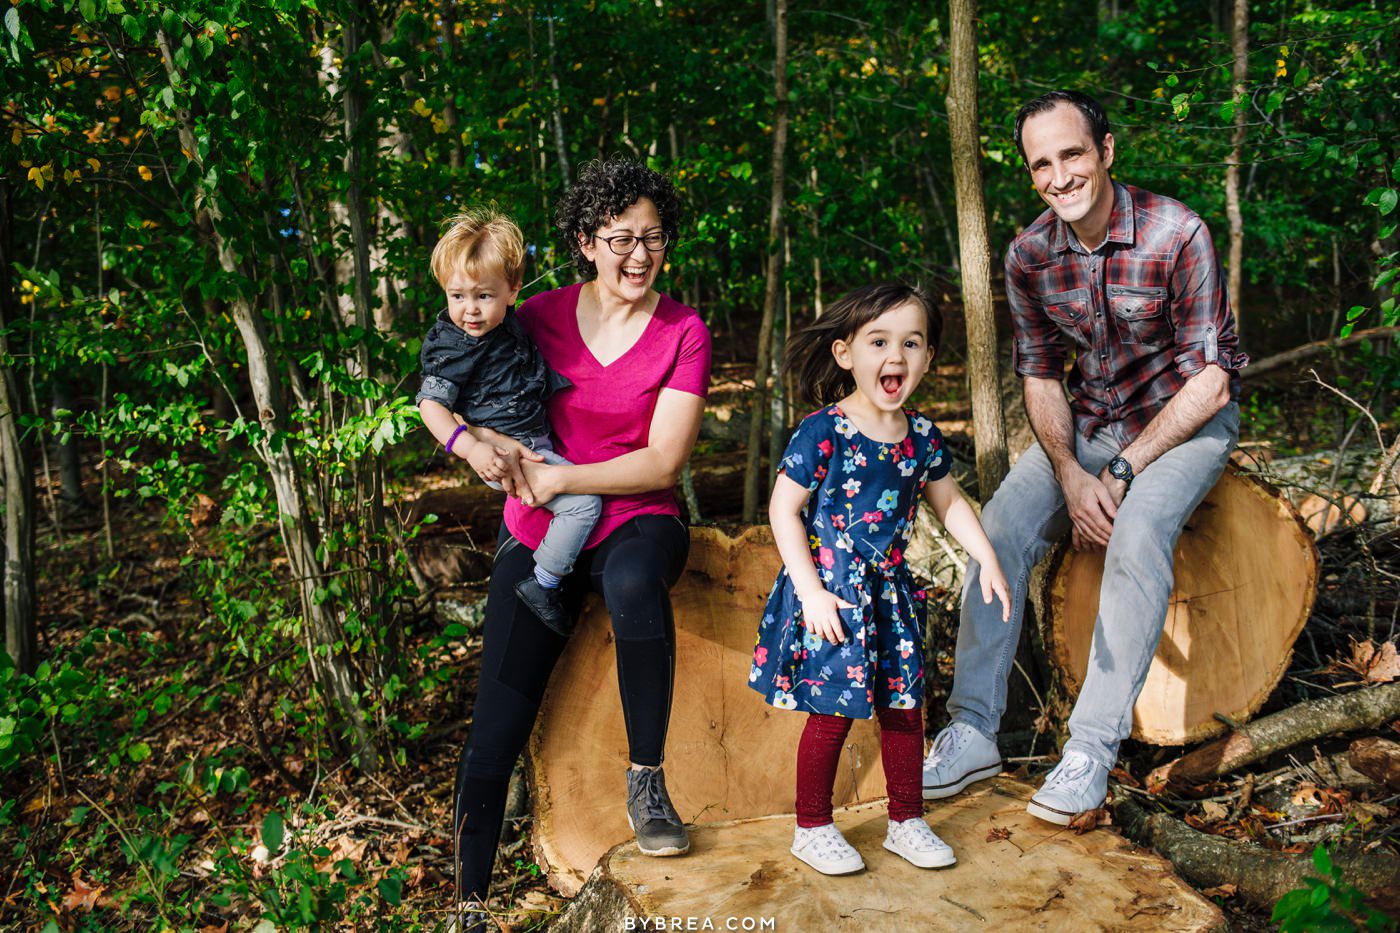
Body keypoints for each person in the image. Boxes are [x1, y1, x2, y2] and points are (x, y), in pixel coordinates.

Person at [922, 90, 1247, 825]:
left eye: (1072, 154)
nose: (1060, 175)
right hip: (1091, 426)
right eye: (1042, 163)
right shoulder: (1031, 253)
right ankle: (973, 727)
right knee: (997, 527)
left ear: (1105, 152)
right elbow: (1040, 375)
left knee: (1134, 535)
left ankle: (1090, 752)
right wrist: (1070, 473)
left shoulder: (1177, 233)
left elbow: (1211, 380)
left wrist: (1124, 471)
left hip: (1185, 427)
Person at [449, 159, 711, 929]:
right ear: (584, 241)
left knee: (632, 584)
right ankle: (468, 899)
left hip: (637, 519)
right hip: (539, 527)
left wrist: (568, 480)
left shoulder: (682, 331)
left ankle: (646, 780)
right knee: (494, 723)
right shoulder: (533, 316)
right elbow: (464, 390)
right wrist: (482, 448)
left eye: (653, 238)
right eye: (621, 238)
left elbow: (664, 460)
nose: (639, 255)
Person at [749, 284, 1011, 876]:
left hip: (891, 595)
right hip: (833, 594)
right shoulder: (825, 431)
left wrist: (986, 556)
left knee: (905, 707)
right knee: (832, 711)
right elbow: (782, 509)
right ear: (845, 354)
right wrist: (811, 591)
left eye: (910, 343)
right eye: (879, 342)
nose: (895, 356)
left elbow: (950, 504)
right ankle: (811, 827)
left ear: (927, 359)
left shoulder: (921, 437)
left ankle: (906, 820)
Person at [416, 209, 602, 636]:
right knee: (584, 503)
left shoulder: (505, 323)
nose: (470, 310)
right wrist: (473, 447)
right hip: (501, 456)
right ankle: (543, 583)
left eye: (483, 296)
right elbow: (430, 406)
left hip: (530, 435)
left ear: (513, 291)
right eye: (457, 296)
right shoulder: (453, 346)